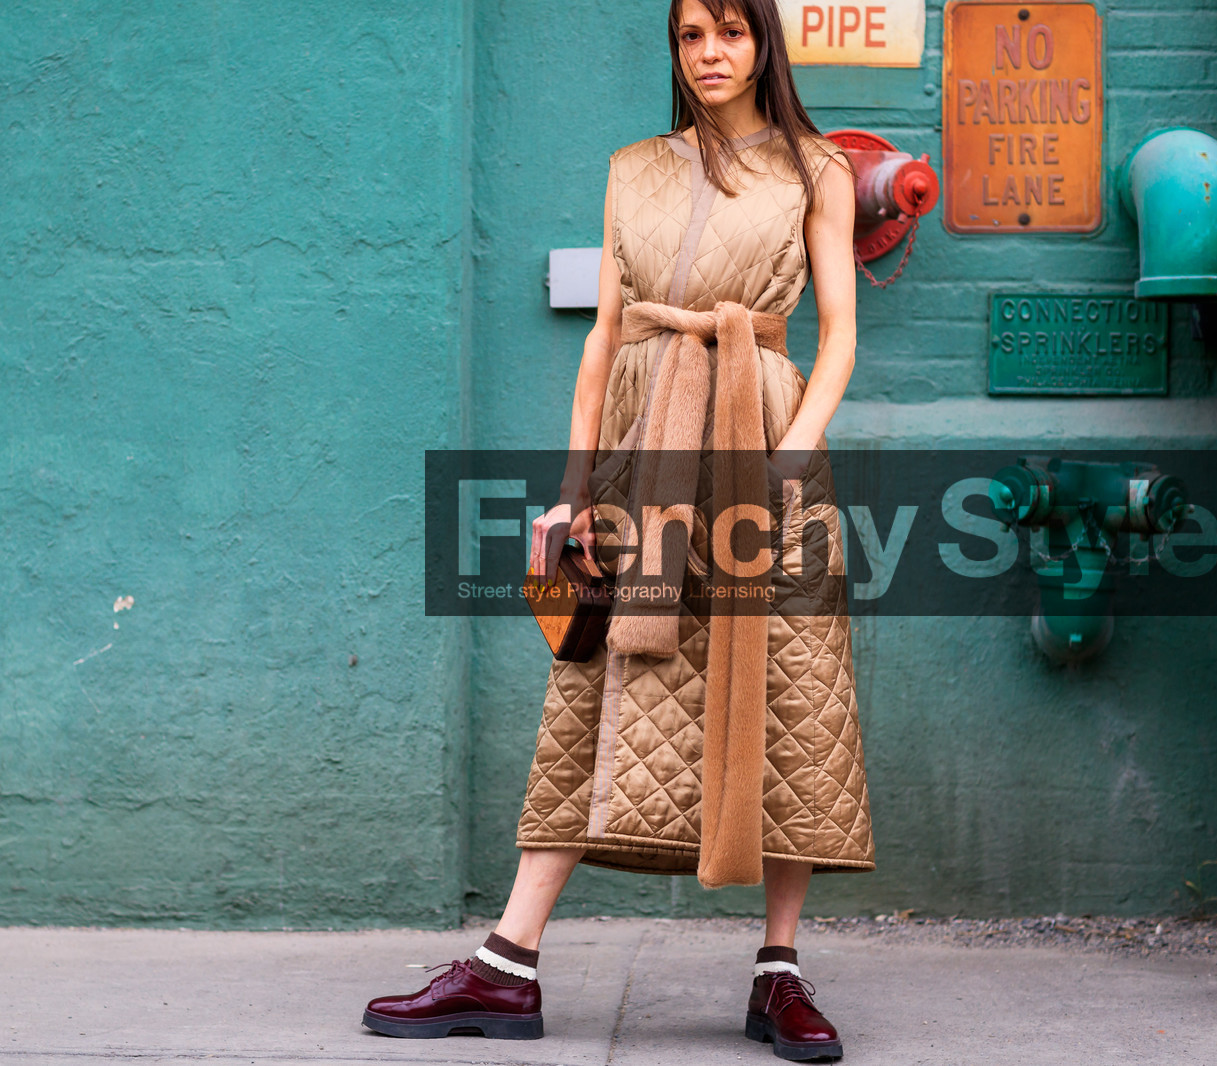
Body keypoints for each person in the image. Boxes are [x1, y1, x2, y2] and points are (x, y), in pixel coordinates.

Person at [363, 0, 873, 1059]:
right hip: (645, 448)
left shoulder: (818, 170)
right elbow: (602, 340)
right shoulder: (632, 167)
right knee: (594, 684)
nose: (711, 53)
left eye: (731, 31)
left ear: (763, 43)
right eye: (692, 35)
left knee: (788, 690)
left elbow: (835, 341)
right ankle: (506, 965)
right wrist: (569, 489)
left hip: (761, 440)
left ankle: (777, 973)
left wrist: (789, 457)